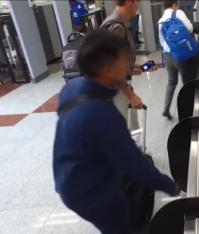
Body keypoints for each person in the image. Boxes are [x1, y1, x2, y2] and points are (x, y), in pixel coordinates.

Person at [53, 29, 180, 234]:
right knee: (119, 225)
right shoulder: (103, 113)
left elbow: (77, 129)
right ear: (107, 70)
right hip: (90, 192)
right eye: (124, 61)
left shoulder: (73, 88)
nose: (129, 66)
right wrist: (168, 185)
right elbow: (134, 163)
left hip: (67, 178)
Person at [101, 0, 158, 131]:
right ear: (128, 2)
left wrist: (139, 66)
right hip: (116, 89)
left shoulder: (119, 23)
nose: (138, 5)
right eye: (137, 2)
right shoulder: (117, 27)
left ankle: (135, 149)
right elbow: (111, 66)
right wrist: (130, 94)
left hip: (119, 87)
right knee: (121, 128)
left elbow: (118, 61)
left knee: (132, 124)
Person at [159, 0, 199, 119]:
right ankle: (187, 112)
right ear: (174, 3)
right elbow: (190, 28)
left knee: (171, 82)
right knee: (187, 83)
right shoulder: (178, 13)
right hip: (181, 56)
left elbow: (162, 41)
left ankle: (166, 108)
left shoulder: (161, 20)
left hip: (167, 55)